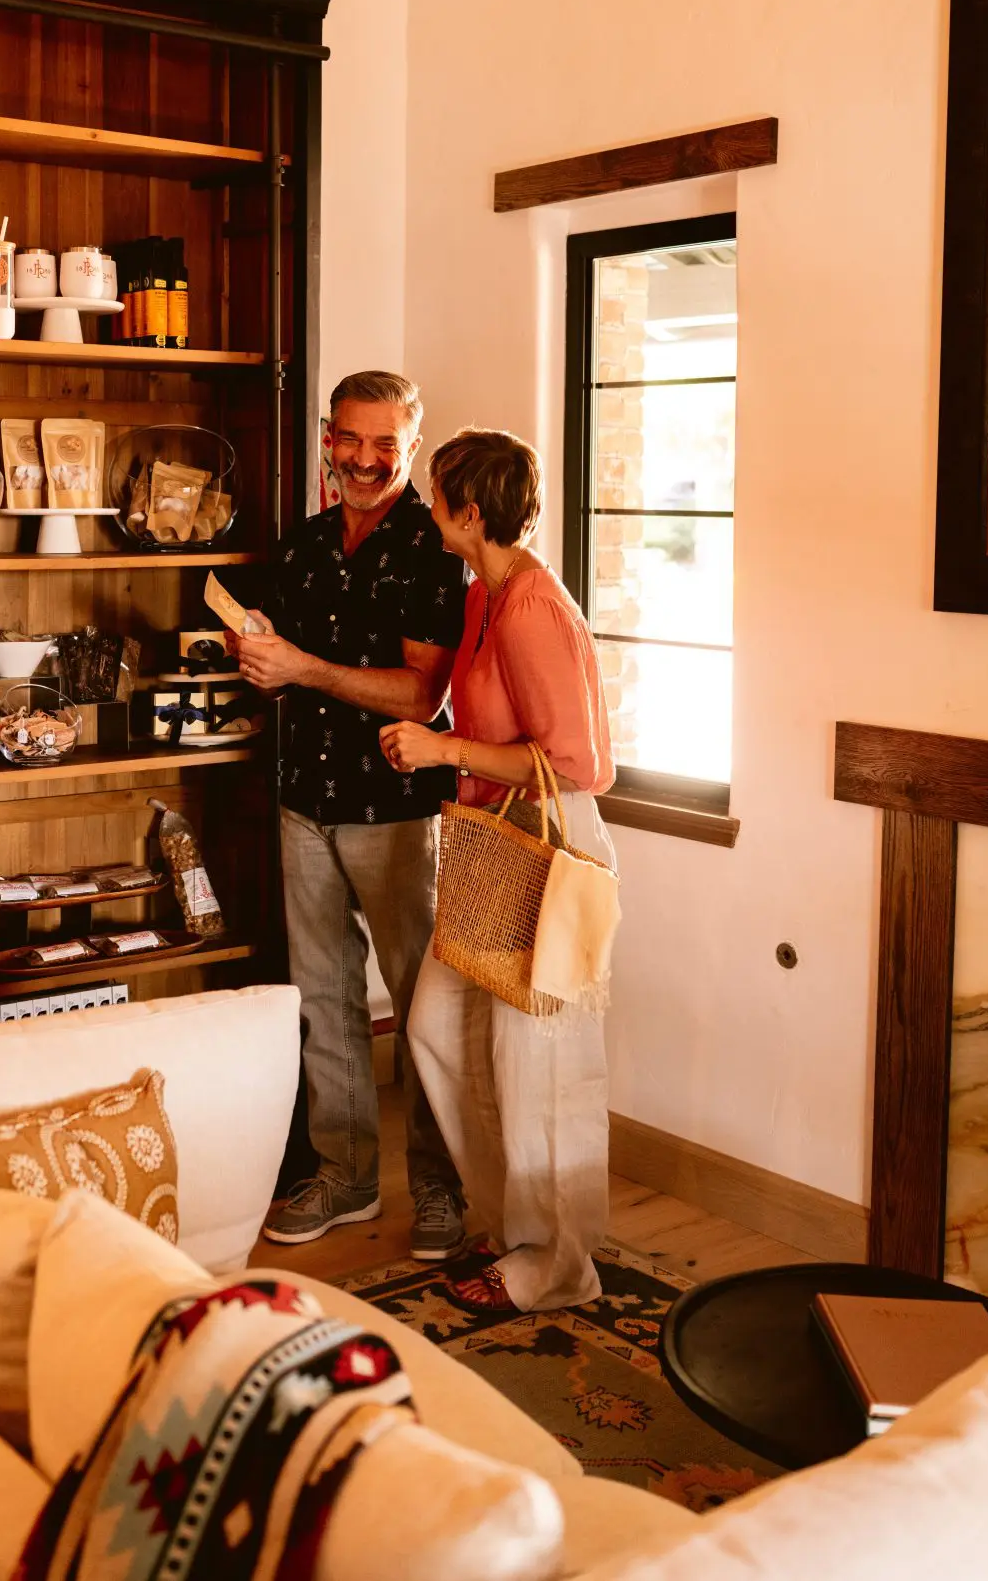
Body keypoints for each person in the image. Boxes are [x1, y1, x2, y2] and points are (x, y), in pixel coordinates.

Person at [229, 371, 468, 1259]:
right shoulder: (303, 543)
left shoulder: (432, 545)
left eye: (385, 444)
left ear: (410, 444)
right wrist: (254, 647)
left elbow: (423, 692)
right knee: (323, 1004)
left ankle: (443, 1190)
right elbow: (280, 646)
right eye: (350, 440)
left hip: (396, 808)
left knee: (425, 1009)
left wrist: (302, 669)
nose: (364, 460)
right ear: (327, 438)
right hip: (303, 799)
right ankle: (346, 1176)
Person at [379, 427, 616, 1314]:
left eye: (435, 494)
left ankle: (555, 1262)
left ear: (468, 512)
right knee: (438, 1029)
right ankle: (511, 1219)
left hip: (548, 846)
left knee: (536, 1062)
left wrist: (441, 745)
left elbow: (579, 765)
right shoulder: (484, 594)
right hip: (491, 844)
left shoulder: (527, 608)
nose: (425, 506)